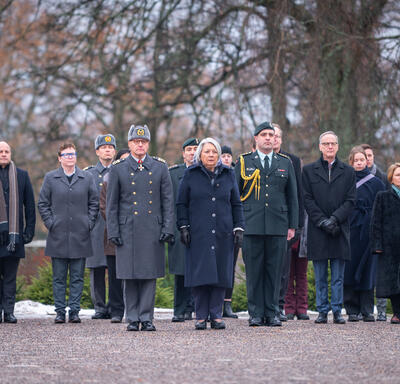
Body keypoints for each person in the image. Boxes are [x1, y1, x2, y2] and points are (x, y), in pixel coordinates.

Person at [106, 125, 174, 332]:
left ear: (148, 144)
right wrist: (113, 231)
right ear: (129, 144)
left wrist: (167, 228)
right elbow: (112, 205)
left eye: (143, 142)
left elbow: (167, 201)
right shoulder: (118, 168)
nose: (140, 144)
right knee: (129, 275)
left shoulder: (160, 167)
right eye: (136, 141)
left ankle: (147, 317)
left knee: (149, 275)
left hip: (152, 230)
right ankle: (133, 317)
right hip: (127, 230)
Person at [177, 138, 244, 330]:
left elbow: (236, 203)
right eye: (207, 152)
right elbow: (181, 203)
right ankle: (200, 316)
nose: (211, 155)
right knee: (200, 273)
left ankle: (216, 315)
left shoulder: (229, 174)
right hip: (198, 232)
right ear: (200, 155)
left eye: (214, 152)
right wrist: (183, 226)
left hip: (223, 231)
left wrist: (239, 227)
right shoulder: (190, 174)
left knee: (220, 273)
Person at [235, 121, 298, 327]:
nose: (268, 138)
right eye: (264, 135)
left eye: (271, 135)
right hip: (251, 223)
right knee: (254, 271)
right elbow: (235, 196)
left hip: (277, 224)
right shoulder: (244, 162)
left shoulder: (285, 162)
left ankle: (271, 313)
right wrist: (237, 223)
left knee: (275, 271)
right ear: (256, 139)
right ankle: (255, 313)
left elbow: (292, 196)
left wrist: (292, 225)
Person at [38, 143, 99, 324]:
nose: (70, 157)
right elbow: (43, 203)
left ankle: (74, 311)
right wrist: (51, 223)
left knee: (77, 277)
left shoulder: (87, 178)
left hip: (80, 235)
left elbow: (94, 203)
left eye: (73, 154)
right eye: (66, 154)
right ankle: (59, 311)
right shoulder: (51, 178)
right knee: (58, 277)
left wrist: (88, 223)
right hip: (58, 235)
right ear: (59, 158)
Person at [302, 131, 356, 324]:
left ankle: (337, 310)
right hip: (318, 230)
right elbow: (307, 199)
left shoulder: (348, 172)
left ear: (338, 146)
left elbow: (351, 201)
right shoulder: (308, 171)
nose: (330, 147)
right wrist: (322, 221)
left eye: (333, 143)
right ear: (320, 147)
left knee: (338, 277)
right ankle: (323, 310)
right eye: (326, 143)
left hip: (339, 229)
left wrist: (334, 219)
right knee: (320, 276)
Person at [344, 146, 385, 322]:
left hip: (369, 230)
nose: (360, 163)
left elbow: (382, 207)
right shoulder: (345, 181)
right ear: (351, 162)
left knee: (368, 270)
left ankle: (367, 309)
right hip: (351, 229)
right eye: (356, 160)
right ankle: (352, 308)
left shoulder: (377, 182)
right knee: (350, 268)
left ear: (367, 161)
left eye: (362, 159)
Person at [272, 123, 305, 321]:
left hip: (285, 222)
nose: (273, 139)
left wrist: (298, 223)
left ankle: (279, 306)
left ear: (281, 140)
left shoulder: (291, 161)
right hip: (266, 220)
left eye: (276, 136)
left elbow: (297, 195)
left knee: (284, 269)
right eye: (269, 135)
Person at [0, 141, 35, 323]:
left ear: (11, 154)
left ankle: (9, 312)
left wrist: (28, 231)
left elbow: (29, 205)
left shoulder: (21, 175)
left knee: (10, 278)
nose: (4, 154)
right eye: (1, 151)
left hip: (13, 237)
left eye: (6, 151)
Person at [84, 134, 116, 320]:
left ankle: (114, 305)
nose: (108, 150)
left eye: (111, 147)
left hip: (113, 227)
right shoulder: (88, 174)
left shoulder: (119, 170)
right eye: (104, 147)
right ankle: (99, 307)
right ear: (97, 151)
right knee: (96, 269)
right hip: (96, 228)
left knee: (114, 268)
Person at [168, 138, 199, 322]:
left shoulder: (206, 172)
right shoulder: (173, 174)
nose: (192, 152)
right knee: (180, 271)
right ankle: (180, 309)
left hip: (201, 228)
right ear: (183, 153)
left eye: (196, 149)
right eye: (189, 149)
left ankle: (195, 308)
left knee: (198, 270)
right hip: (179, 227)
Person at [99, 148, 130, 323]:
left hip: (134, 236)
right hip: (113, 236)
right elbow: (104, 207)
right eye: (122, 160)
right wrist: (120, 224)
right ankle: (116, 310)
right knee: (114, 276)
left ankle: (133, 308)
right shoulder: (108, 182)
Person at [360, 143, 389, 321]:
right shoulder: (351, 176)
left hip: (378, 227)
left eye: (369, 155)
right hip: (359, 227)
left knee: (379, 270)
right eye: (364, 156)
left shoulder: (382, 177)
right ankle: (364, 307)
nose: (367, 159)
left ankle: (382, 309)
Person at [371, 163, 400, 324]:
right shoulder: (383, 196)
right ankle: (397, 312)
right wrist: (377, 245)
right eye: (397, 175)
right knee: (393, 282)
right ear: (391, 177)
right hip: (389, 246)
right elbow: (376, 223)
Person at [220, 144, 240, 318]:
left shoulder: (235, 174)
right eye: (223, 155)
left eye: (228, 155)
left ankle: (227, 303)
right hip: (216, 227)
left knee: (230, 267)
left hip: (232, 227)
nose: (226, 158)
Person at [285, 212, 309, 320]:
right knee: (287, 275)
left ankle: (302, 309)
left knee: (302, 275)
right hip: (289, 237)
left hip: (303, 239)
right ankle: (289, 308)